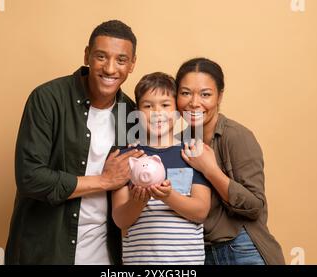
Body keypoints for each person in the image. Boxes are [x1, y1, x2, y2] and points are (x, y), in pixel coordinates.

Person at [5, 20, 144, 265]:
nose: (110, 68)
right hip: (45, 253)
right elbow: (30, 178)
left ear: (132, 64)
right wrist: (103, 180)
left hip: (104, 256)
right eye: (101, 56)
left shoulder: (131, 115)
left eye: (121, 60)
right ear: (87, 55)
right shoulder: (47, 99)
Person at [176, 58, 285, 265]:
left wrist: (211, 171)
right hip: (198, 254)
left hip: (242, 248)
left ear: (219, 96)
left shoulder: (236, 136)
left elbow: (255, 206)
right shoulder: (177, 142)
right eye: (186, 93)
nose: (194, 102)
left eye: (205, 94)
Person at [112, 72, 211, 265]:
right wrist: (139, 201)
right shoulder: (127, 157)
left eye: (165, 105)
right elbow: (120, 220)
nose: (157, 113)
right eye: (148, 106)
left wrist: (167, 196)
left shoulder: (192, 153)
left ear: (177, 111)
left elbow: (200, 211)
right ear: (137, 112)